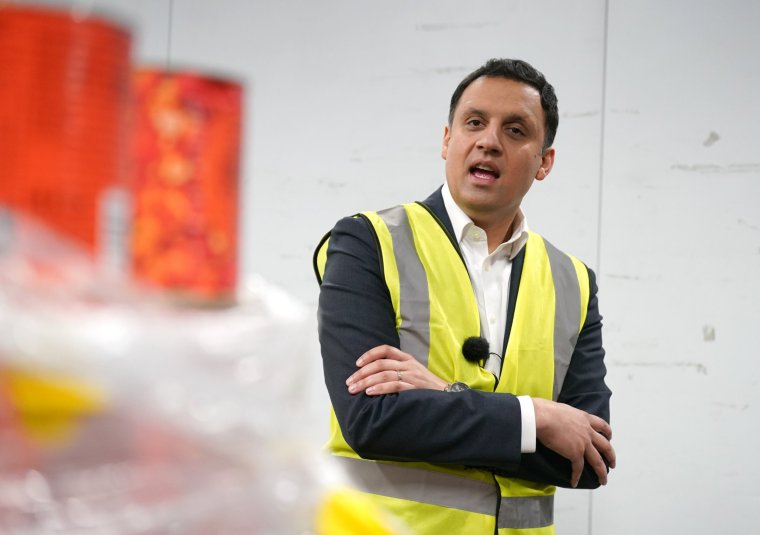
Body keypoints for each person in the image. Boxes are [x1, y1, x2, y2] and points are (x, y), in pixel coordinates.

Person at [313, 58, 615, 535]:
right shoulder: (367, 241)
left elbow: (587, 457)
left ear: (544, 162)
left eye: (516, 130)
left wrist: (439, 394)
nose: (490, 141)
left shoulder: (573, 281)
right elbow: (371, 419)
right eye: (474, 122)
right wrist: (537, 417)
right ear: (447, 140)